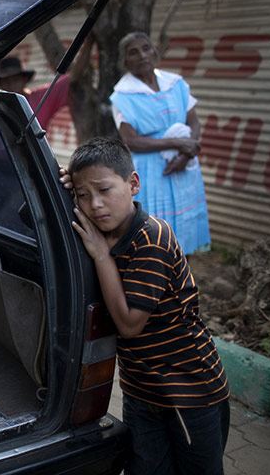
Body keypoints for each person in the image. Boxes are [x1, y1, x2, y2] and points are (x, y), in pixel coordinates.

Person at [61, 137, 230, 475]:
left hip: (188, 394)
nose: (95, 205)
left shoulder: (152, 239)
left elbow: (129, 324)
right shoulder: (102, 228)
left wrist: (102, 256)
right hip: (141, 390)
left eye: (105, 190)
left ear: (133, 184)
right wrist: (64, 182)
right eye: (84, 195)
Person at [110, 31, 210, 255]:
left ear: (154, 52)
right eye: (133, 53)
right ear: (125, 61)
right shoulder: (122, 96)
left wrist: (185, 155)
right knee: (158, 233)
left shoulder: (176, 83)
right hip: (153, 171)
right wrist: (177, 143)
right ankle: (160, 284)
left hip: (184, 165)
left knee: (185, 227)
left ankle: (182, 284)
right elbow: (131, 141)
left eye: (146, 49)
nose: (142, 55)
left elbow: (194, 122)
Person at [0, 55, 70, 130]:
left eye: (15, 80)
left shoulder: (40, 99)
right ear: (0, 85)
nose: (11, 85)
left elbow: (68, 80)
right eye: (6, 81)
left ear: (24, 80)